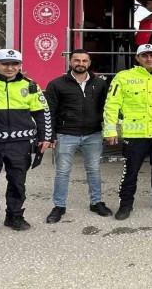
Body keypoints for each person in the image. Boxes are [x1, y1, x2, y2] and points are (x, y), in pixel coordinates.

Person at [0, 49, 53, 238]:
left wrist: (45, 137)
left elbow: (42, 113)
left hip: (20, 143)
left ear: (20, 66)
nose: (10, 68)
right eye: (5, 63)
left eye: (14, 64)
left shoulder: (31, 85)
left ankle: (14, 215)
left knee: (17, 182)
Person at [104, 44, 152, 220]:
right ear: (137, 58)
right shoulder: (123, 77)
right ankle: (125, 204)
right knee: (131, 171)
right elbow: (111, 105)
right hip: (135, 135)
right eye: (144, 56)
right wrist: (110, 130)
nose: (149, 59)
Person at [44, 49, 111, 224]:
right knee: (62, 172)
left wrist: (109, 130)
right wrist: (50, 135)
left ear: (89, 63)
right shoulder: (56, 84)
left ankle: (96, 202)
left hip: (93, 134)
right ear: (70, 62)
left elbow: (108, 108)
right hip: (66, 134)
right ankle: (59, 206)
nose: (80, 64)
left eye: (84, 61)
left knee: (94, 170)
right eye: (77, 60)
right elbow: (49, 111)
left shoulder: (100, 83)